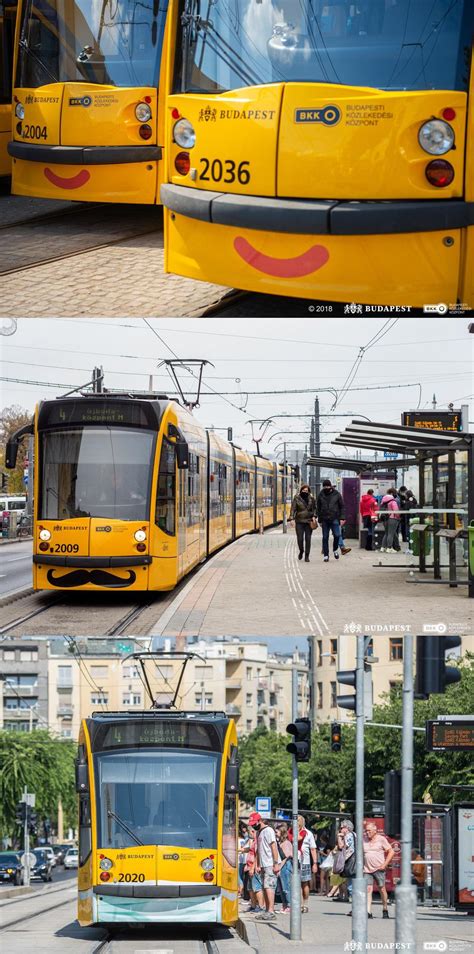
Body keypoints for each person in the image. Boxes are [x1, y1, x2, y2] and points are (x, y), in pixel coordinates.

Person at [248, 812, 280, 921]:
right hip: (263, 864)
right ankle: (266, 910)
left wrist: (276, 863)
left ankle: (271, 911)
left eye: (254, 823)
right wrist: (257, 864)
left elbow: (273, 847)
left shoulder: (268, 830)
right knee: (264, 887)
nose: (253, 825)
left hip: (270, 863)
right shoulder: (259, 833)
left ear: (260, 820)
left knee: (269, 887)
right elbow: (258, 850)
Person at [363, 822, 395, 918]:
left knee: (382, 889)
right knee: (368, 889)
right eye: (366, 830)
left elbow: (391, 851)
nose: (367, 833)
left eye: (369, 831)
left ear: (375, 831)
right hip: (367, 869)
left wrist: (384, 864)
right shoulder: (364, 840)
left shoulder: (381, 839)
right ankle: (368, 911)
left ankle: (385, 908)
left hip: (379, 868)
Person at [289, 814, 317, 913]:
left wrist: (315, 863)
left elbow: (313, 849)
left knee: (304, 883)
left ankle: (305, 903)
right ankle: (299, 904)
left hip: (304, 861)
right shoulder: (290, 832)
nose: (293, 824)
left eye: (296, 822)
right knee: (296, 884)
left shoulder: (308, 833)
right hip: (292, 860)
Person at [317, 479, 348, 562]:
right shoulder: (320, 495)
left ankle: (335, 550)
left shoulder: (337, 494)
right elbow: (318, 508)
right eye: (324, 486)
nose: (326, 487)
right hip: (324, 519)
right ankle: (326, 555)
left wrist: (342, 518)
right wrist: (319, 519)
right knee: (325, 537)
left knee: (337, 535)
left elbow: (342, 506)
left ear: (330, 486)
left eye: (327, 486)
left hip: (335, 518)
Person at [289, 484, 317, 562]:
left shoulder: (312, 498)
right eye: (304, 490)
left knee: (308, 539)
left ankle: (307, 556)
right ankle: (301, 551)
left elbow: (315, 508)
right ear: (301, 490)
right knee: (300, 539)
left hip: (309, 521)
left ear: (309, 491)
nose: (305, 492)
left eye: (306, 491)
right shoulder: (296, 498)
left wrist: (314, 516)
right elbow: (293, 508)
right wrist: (291, 518)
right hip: (299, 522)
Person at [243, 822, 265, 913]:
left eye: (249, 832)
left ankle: (260, 906)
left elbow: (257, 854)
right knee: (250, 888)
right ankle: (253, 905)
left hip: (254, 866)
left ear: (253, 831)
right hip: (249, 866)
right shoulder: (254, 841)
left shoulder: (257, 841)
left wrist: (253, 867)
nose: (249, 834)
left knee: (257, 887)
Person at [337, 819, 355, 915]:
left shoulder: (348, 836)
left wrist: (339, 837)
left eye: (341, 827)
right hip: (357, 862)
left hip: (351, 863)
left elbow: (341, 846)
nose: (340, 829)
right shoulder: (355, 835)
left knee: (351, 887)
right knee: (355, 885)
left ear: (346, 828)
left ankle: (356, 909)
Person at [275, 824, 293, 912]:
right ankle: (284, 905)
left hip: (285, 866)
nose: (275, 833)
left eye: (277, 832)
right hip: (281, 866)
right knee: (281, 888)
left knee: (286, 886)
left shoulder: (286, 843)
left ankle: (289, 906)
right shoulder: (280, 843)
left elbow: (285, 857)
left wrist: (279, 867)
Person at [379, 488, 401, 554]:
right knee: (391, 534)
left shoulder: (383, 501)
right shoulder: (393, 501)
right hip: (392, 518)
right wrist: (398, 517)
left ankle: (382, 548)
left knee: (386, 533)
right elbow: (396, 511)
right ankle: (389, 548)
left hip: (385, 519)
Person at [238, 821, 251, 898]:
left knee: (239, 877)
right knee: (241, 877)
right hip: (243, 860)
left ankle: (242, 891)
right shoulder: (244, 839)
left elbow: (242, 849)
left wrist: (240, 850)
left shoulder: (241, 839)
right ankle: (242, 891)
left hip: (240, 860)